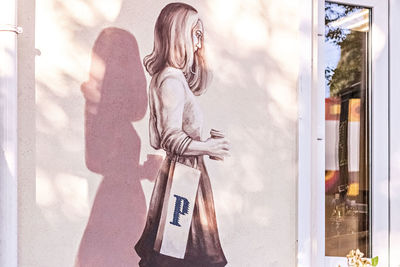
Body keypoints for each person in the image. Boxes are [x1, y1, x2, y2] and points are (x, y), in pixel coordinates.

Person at [134, 3, 229, 267]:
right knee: (179, 256)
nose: (199, 44)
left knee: (177, 255)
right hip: (183, 183)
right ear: (179, 34)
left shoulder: (167, 78)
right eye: (195, 34)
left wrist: (206, 144)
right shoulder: (172, 80)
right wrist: (207, 147)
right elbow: (170, 139)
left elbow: (160, 137)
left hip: (184, 178)